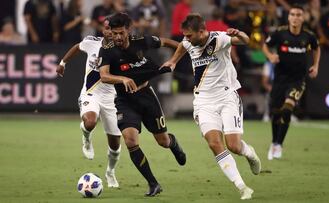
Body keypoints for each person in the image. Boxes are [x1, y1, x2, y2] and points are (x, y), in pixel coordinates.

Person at [162, 13, 261, 200]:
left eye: (190, 35)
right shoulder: (188, 41)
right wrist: (173, 61)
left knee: (234, 145)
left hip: (226, 97)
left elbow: (246, 41)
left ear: (202, 31)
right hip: (203, 101)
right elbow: (182, 46)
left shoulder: (220, 39)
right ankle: (242, 187)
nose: (187, 39)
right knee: (215, 143)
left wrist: (239, 33)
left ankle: (249, 153)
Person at [97, 12, 186, 197]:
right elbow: (103, 76)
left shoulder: (142, 41)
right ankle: (153, 184)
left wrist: (176, 58)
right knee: (130, 140)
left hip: (146, 96)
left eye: (121, 33)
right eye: (114, 33)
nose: (118, 37)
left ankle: (173, 143)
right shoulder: (107, 48)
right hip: (124, 101)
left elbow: (168, 42)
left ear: (128, 30)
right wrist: (122, 79)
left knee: (162, 141)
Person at [56, 19, 121, 188]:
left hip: (111, 99)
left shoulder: (122, 50)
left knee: (115, 145)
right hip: (90, 93)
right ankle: (86, 138)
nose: (109, 32)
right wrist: (63, 63)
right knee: (90, 121)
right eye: (107, 28)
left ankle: (110, 172)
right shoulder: (91, 42)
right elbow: (76, 48)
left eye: (112, 30)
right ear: (103, 29)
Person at [262, 4, 321, 160]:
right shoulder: (280, 33)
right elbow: (265, 46)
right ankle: (274, 142)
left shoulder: (308, 36)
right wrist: (270, 57)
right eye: (293, 14)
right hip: (280, 80)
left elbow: (316, 48)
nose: (295, 17)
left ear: (303, 18)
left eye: (298, 15)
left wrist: (315, 65)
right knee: (275, 113)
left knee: (288, 109)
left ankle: (279, 144)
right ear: (288, 17)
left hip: (297, 80)